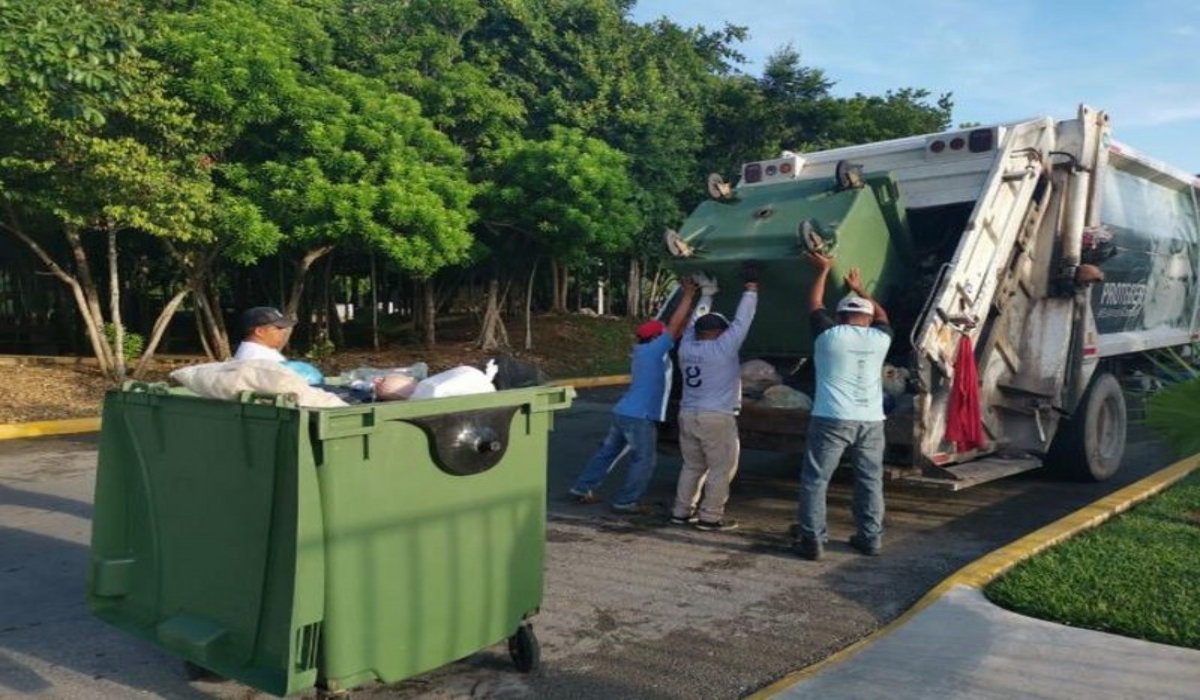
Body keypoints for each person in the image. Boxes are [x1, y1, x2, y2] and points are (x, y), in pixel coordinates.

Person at [569, 278, 699, 514]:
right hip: (639, 417)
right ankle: (626, 501)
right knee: (644, 460)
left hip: (624, 412)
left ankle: (581, 487)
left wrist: (697, 308)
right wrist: (688, 295)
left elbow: (678, 328)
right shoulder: (655, 350)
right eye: (662, 335)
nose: (667, 336)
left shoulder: (644, 350)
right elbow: (674, 325)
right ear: (655, 338)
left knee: (608, 452)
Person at [794, 252, 893, 561]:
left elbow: (814, 303)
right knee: (869, 480)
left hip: (831, 418)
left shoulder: (829, 336)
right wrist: (861, 288)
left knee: (816, 479)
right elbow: (883, 316)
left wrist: (824, 270)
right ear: (867, 318)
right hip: (872, 421)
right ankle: (870, 538)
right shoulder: (881, 339)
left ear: (839, 317)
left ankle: (812, 541)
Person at [669, 262, 760, 531]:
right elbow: (744, 319)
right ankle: (710, 517)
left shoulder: (686, 347)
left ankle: (681, 512)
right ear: (721, 332)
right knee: (721, 469)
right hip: (716, 418)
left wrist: (707, 295)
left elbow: (695, 322)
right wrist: (751, 288)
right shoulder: (723, 348)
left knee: (692, 466)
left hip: (688, 414)